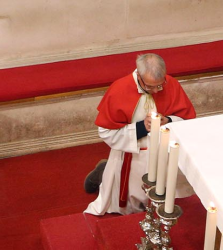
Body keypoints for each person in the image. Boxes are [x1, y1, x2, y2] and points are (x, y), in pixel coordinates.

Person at [84, 54, 196, 215]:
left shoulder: (171, 83)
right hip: (134, 154)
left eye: (160, 85)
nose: (156, 91)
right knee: (132, 201)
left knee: (170, 193)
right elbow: (106, 132)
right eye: (151, 86)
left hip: (164, 151)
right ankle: (102, 173)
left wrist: (168, 120)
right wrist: (142, 127)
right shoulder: (120, 89)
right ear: (139, 76)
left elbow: (187, 118)